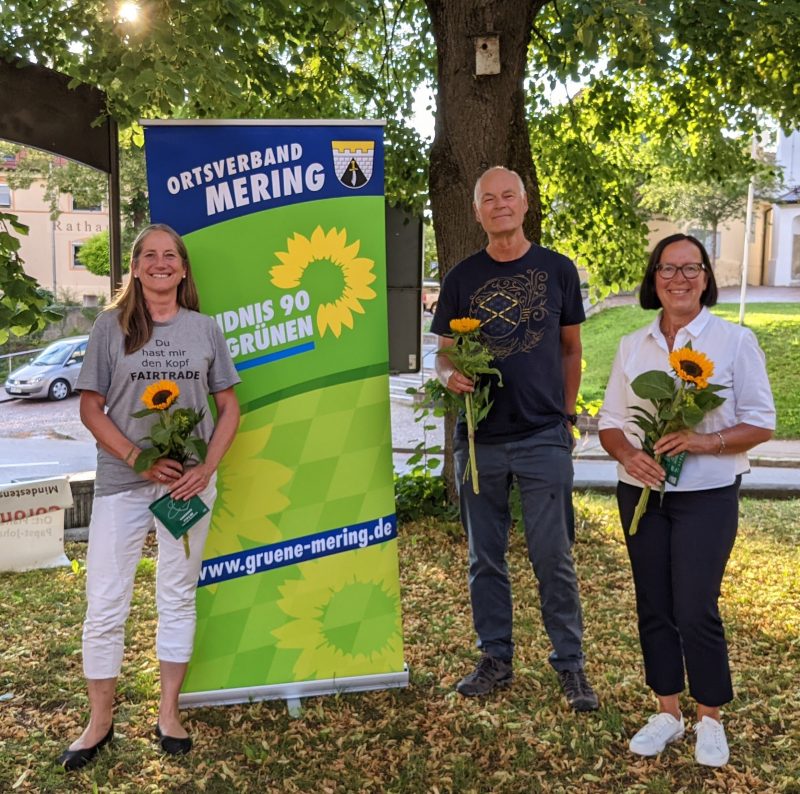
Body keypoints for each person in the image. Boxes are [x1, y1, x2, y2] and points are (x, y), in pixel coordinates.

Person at [57, 223, 241, 770]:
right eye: (149, 256)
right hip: (122, 484)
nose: (161, 263)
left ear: (183, 270)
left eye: (171, 256)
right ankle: (99, 721)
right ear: (135, 268)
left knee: (176, 597)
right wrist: (137, 459)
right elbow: (91, 407)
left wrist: (206, 468)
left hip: (186, 487)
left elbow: (229, 406)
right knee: (106, 603)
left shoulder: (205, 330)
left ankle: (168, 713)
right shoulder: (109, 329)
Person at [597, 233, 775, 767]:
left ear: (705, 277)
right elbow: (609, 424)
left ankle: (710, 719)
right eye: (668, 269)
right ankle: (667, 712)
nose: (679, 278)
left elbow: (762, 422)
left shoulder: (733, 341)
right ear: (654, 280)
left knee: (694, 607)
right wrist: (629, 457)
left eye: (690, 268)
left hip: (708, 494)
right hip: (641, 494)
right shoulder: (634, 346)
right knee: (653, 604)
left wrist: (703, 441)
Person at [431, 166, 598, 711]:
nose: (499, 205)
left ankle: (570, 665)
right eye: (488, 198)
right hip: (479, 440)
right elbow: (442, 353)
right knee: (485, 557)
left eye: (509, 196)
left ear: (525, 205)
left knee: (553, 554)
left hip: (543, 435)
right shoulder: (460, 278)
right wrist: (447, 376)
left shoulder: (557, 271)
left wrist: (568, 417)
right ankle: (496, 658)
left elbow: (571, 349)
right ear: (477, 211)